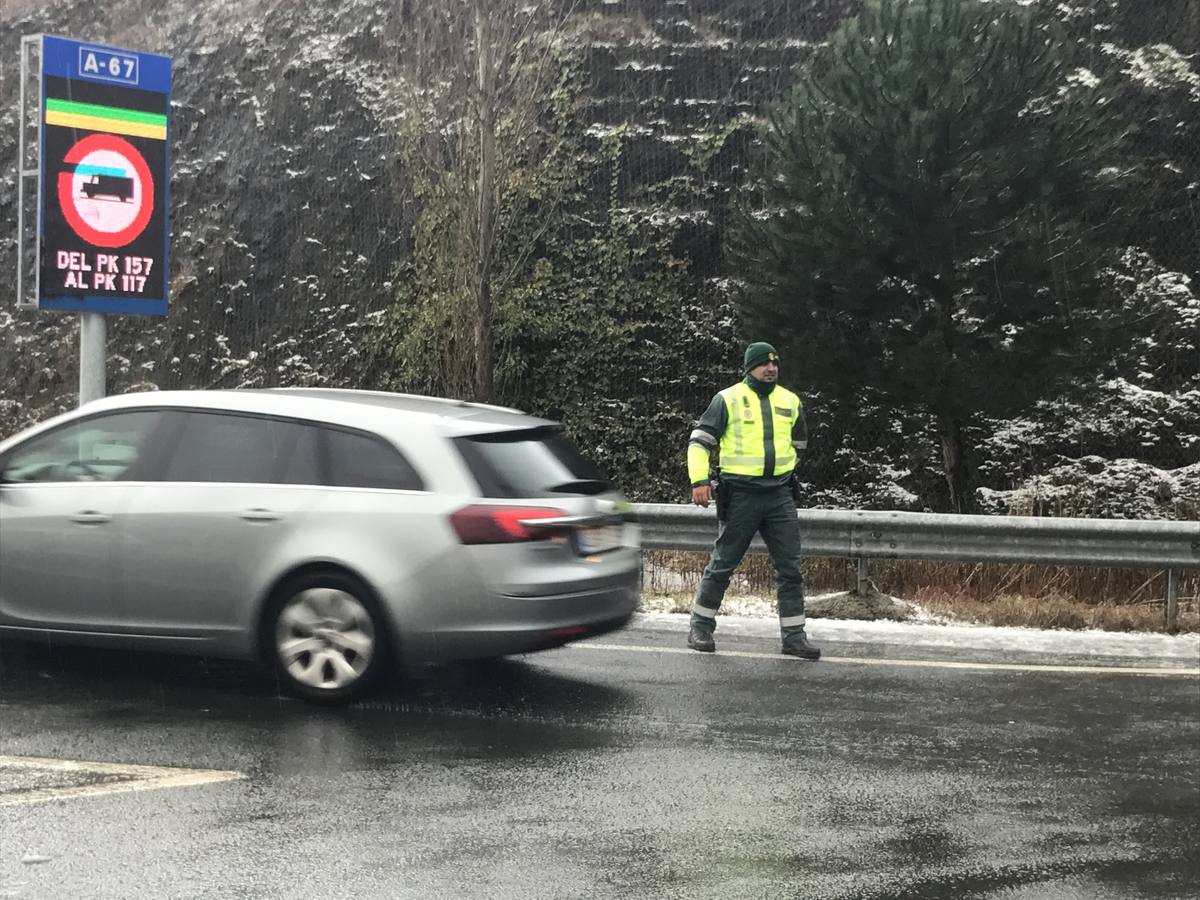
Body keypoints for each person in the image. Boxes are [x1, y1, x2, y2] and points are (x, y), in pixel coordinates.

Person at [685, 341, 820, 660]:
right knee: (722, 565)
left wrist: (780, 473)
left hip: (779, 495)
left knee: (790, 568)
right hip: (741, 495)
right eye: (764, 364)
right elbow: (699, 443)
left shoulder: (790, 400)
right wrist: (699, 480)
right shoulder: (727, 399)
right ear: (750, 367)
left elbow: (799, 444)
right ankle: (700, 628)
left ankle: (794, 637)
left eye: (775, 364)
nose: (771, 369)